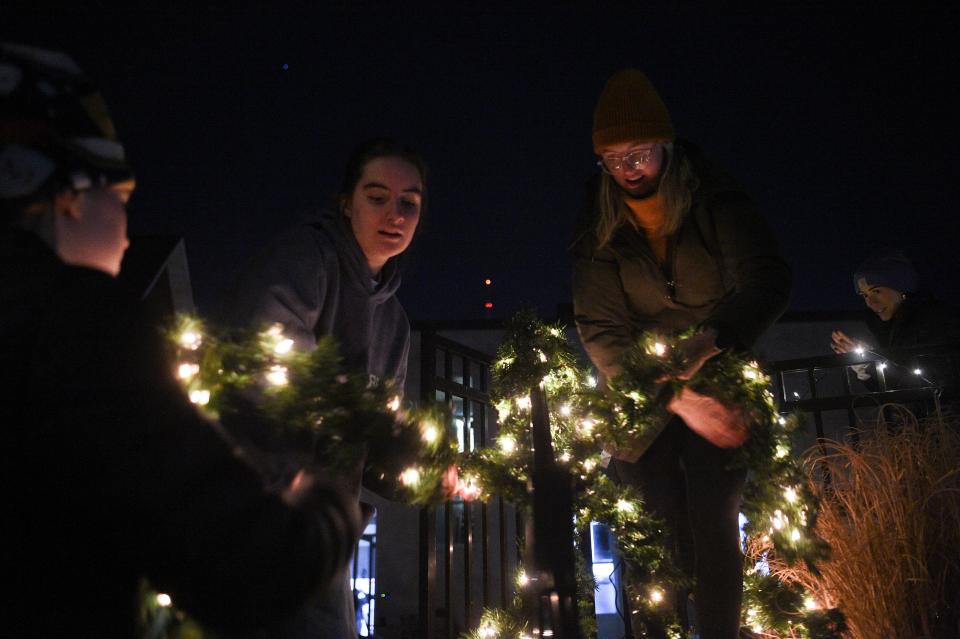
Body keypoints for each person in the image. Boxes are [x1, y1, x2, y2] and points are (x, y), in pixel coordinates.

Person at [0, 43, 364, 638]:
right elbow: (249, 565)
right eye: (119, 200)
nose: (125, 235)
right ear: (67, 196)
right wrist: (328, 503)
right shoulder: (78, 329)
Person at [571, 69, 791, 639]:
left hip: (721, 374)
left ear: (666, 146)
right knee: (653, 532)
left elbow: (766, 280)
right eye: (612, 159)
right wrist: (675, 395)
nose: (628, 170)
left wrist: (710, 342)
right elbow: (600, 327)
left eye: (639, 153)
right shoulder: (598, 224)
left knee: (715, 527)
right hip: (640, 394)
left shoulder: (715, 197)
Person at [224, 138, 425, 638]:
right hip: (257, 519)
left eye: (409, 203)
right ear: (346, 202)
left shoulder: (395, 323)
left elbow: (379, 443)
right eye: (377, 197)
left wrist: (420, 471)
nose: (394, 213)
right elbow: (264, 376)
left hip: (325, 539)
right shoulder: (303, 263)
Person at [831, 249, 960, 396]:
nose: (870, 302)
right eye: (864, 295)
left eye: (877, 291)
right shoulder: (891, 328)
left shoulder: (937, 321)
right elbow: (893, 394)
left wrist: (872, 363)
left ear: (902, 288)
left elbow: (931, 386)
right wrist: (866, 368)